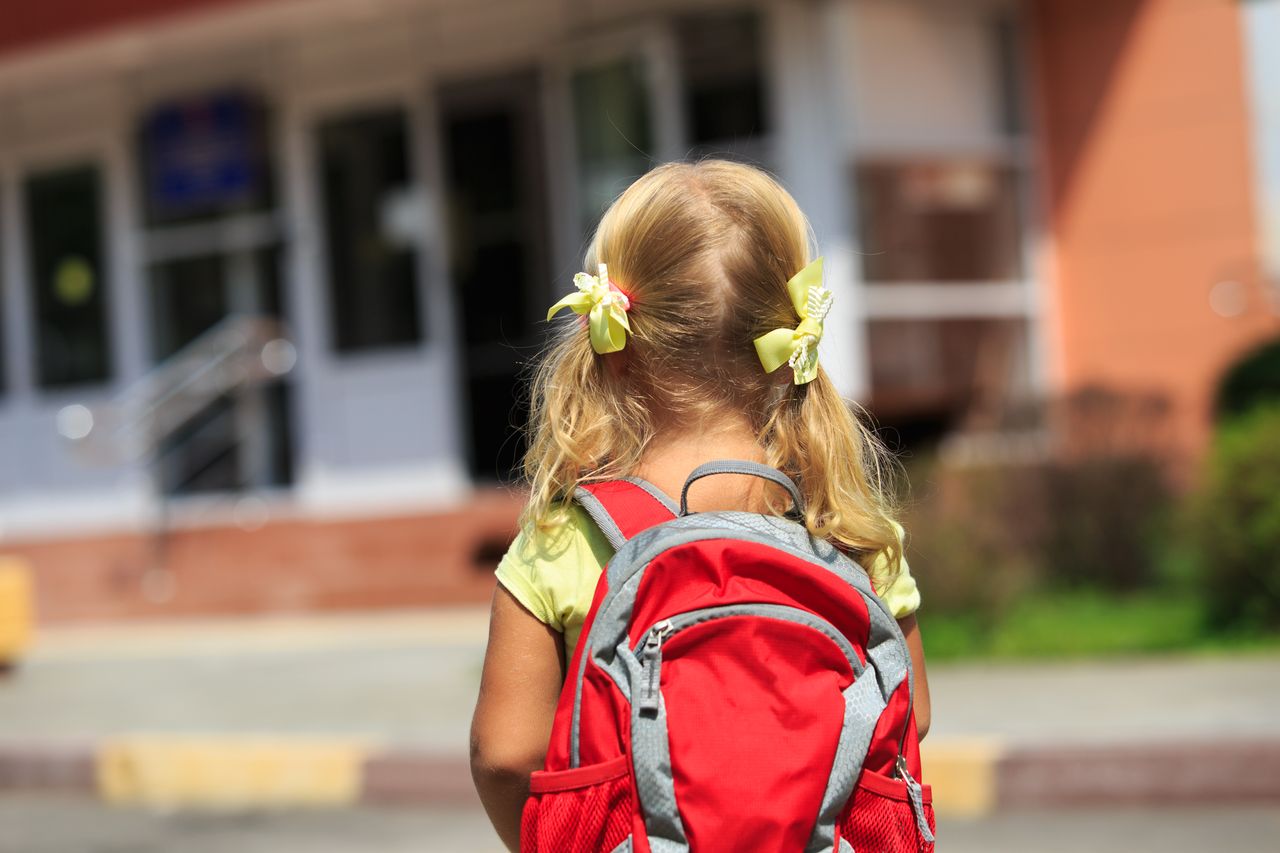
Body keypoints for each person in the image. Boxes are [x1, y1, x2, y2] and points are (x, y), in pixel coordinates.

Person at [470, 160, 930, 852]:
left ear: (613, 343)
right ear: (786, 343)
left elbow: (505, 753)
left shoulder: (564, 538)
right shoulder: (845, 523)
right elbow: (910, 714)